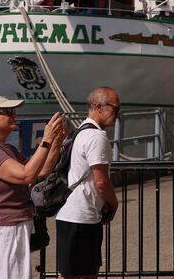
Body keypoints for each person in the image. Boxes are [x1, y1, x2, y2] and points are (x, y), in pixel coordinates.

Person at [0, 93, 68, 279]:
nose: (13, 115)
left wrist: (56, 140)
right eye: (7, 112)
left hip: (14, 226)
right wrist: (46, 139)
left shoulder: (7, 149)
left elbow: (42, 170)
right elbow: (26, 175)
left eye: (13, 111)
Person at [55, 87, 121, 279]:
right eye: (115, 108)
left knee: (70, 273)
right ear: (99, 107)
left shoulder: (80, 131)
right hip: (83, 216)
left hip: (68, 213)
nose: (118, 114)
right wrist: (114, 203)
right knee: (84, 274)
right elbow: (101, 182)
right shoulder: (97, 137)